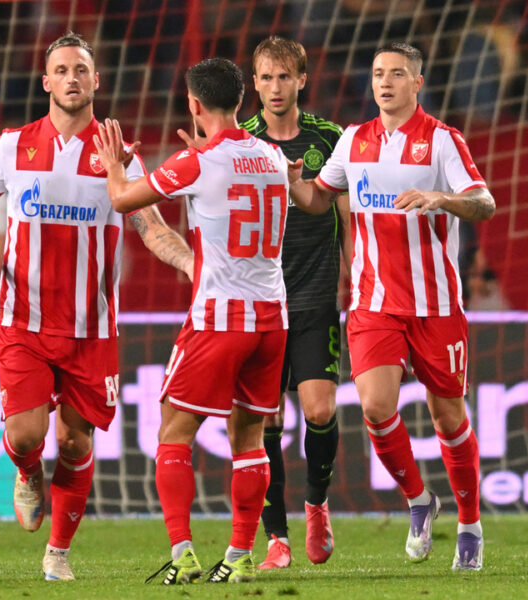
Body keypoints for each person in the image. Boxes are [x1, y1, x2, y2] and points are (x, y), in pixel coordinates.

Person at [0, 32, 193, 582]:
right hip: (24, 322)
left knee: (74, 439)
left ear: (95, 81)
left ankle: (58, 553)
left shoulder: (115, 156)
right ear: (46, 82)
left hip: (92, 329)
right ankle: (27, 474)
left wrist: (189, 264)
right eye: (61, 69)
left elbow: (149, 225)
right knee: (24, 437)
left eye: (80, 69)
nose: (71, 78)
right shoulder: (13, 145)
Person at [95, 57, 310, 584]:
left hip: (219, 315)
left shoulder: (198, 162)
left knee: (173, 431)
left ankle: (183, 553)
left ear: (193, 103)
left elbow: (125, 199)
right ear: (242, 100)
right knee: (250, 437)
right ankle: (238, 557)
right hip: (271, 315)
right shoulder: (273, 155)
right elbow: (230, 186)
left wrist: (116, 165)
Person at [287, 42, 495, 572]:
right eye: (379, 73)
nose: (385, 82)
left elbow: (485, 202)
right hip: (374, 303)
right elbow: (318, 197)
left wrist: (441, 198)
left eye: (397, 74)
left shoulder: (444, 141)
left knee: (448, 416)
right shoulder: (353, 141)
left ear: (416, 83)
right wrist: (295, 187)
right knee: (377, 406)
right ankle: (420, 501)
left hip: (437, 305)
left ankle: (469, 526)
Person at [238, 36, 349, 570]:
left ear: (302, 80)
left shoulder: (330, 138)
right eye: (265, 78)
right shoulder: (240, 140)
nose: (275, 88)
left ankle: (317, 503)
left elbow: (347, 210)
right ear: (253, 83)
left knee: (320, 410)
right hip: (260, 299)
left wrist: (353, 268)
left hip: (315, 293)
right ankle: (276, 538)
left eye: (285, 77)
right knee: (266, 425)